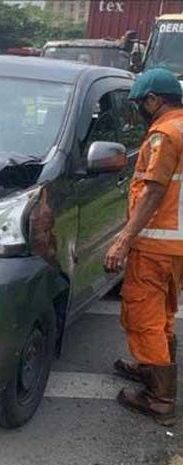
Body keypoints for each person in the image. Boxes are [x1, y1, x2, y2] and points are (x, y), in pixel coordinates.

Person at [104, 68, 183, 426]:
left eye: (140, 103)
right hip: (176, 245)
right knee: (164, 310)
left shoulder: (164, 135)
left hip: (156, 243)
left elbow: (153, 190)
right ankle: (151, 369)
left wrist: (124, 239)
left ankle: (160, 398)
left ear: (154, 100)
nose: (138, 110)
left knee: (142, 314)